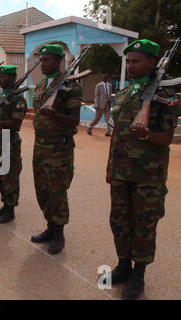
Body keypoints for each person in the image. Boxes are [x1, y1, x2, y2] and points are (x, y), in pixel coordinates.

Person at [103, 39, 181, 300]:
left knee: (144, 224)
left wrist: (148, 135)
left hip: (148, 176)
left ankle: (139, 274)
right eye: (128, 60)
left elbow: (167, 138)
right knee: (119, 221)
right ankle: (123, 265)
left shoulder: (165, 96)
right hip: (121, 172)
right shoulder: (124, 93)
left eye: (136, 61)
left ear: (152, 62)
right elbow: (116, 135)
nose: (130, 65)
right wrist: (110, 167)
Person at [30, 44, 82, 255]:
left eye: (47, 60)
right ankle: (50, 226)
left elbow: (74, 120)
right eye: (41, 60)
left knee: (57, 191)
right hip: (40, 145)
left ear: (59, 61)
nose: (43, 64)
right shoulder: (41, 85)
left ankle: (59, 232)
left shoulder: (71, 86)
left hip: (58, 147)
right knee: (41, 189)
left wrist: (56, 115)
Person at [0, 65, 27, 224]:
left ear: (11, 78)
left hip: (10, 142)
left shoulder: (17, 98)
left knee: (9, 177)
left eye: (2, 77)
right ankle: (5, 203)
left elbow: (16, 124)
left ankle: (10, 209)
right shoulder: (3, 95)